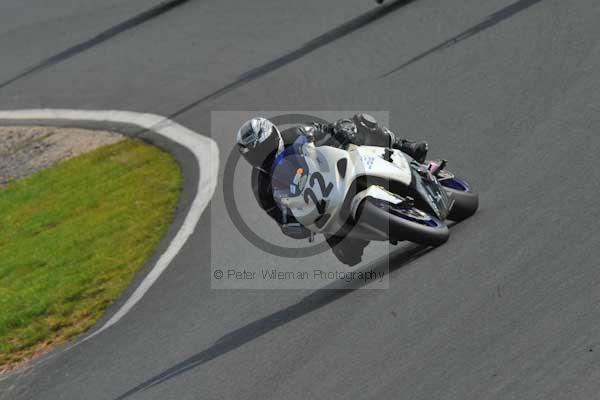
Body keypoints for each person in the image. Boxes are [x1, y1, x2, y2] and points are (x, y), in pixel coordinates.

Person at [236, 114, 428, 265]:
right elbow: (281, 220)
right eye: (254, 153)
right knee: (348, 256)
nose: (261, 155)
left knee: (362, 122)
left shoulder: (295, 134)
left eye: (262, 148)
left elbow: (328, 128)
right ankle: (387, 222)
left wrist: (343, 129)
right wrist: (299, 227)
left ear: (273, 136)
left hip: (338, 171)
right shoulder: (261, 187)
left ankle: (403, 146)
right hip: (323, 206)